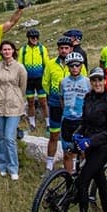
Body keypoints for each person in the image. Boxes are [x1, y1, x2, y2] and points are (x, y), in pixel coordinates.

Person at [69, 68, 107, 212]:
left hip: (102, 147)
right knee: (99, 180)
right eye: (94, 81)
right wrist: (78, 132)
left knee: (84, 180)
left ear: (105, 81)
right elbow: (85, 121)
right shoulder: (88, 98)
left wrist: (91, 140)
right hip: (88, 145)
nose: (97, 83)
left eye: (100, 80)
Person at [43, 36, 85, 172]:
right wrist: (54, 95)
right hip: (56, 103)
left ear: (71, 49)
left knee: (77, 137)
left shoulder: (77, 63)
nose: (64, 50)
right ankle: (50, 161)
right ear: (58, 49)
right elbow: (45, 83)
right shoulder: (50, 64)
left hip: (75, 107)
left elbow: (84, 84)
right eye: (61, 48)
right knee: (54, 135)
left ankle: (76, 163)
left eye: (66, 48)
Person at [0, 40, 28, 180]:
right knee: (1, 138)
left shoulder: (20, 68)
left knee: (9, 138)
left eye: (9, 49)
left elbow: (22, 86)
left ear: (13, 51)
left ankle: (13, 168)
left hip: (14, 106)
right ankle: (2, 166)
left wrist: (16, 96)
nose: (6, 52)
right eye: (4, 49)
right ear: (0, 51)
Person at [59, 52, 91, 173]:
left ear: (81, 66)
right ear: (68, 67)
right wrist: (66, 112)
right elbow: (61, 99)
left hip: (81, 121)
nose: (74, 68)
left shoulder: (87, 82)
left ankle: (83, 177)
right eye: (71, 66)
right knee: (67, 152)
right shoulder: (63, 82)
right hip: (67, 120)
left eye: (77, 65)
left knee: (83, 151)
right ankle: (69, 179)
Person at [18, 28, 49, 131]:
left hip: (40, 79)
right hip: (28, 80)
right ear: (28, 38)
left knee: (43, 102)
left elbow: (47, 64)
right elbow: (20, 65)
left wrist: (46, 78)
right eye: (32, 37)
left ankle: (48, 123)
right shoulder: (23, 50)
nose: (35, 39)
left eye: (37, 37)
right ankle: (32, 123)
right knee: (30, 102)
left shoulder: (42, 49)